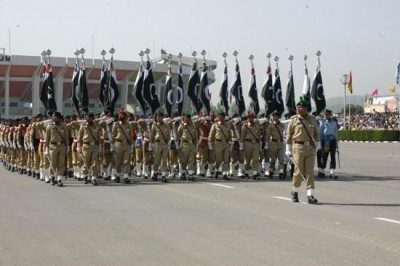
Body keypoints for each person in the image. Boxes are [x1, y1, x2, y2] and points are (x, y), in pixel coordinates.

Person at [286, 98, 320, 204]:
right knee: (298, 172)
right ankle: (294, 192)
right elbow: (289, 135)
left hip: (310, 148)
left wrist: (318, 145)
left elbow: (317, 133)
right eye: (298, 107)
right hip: (298, 147)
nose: (299, 109)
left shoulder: (312, 119)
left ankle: (310, 195)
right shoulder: (294, 119)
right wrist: (288, 148)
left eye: (301, 107)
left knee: (310, 172)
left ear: (306, 108)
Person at [45, 112, 69, 187]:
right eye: (52, 116)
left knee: (61, 163)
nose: (53, 118)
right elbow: (47, 139)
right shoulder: (49, 126)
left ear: (58, 117)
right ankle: (52, 177)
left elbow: (66, 137)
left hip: (62, 146)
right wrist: (46, 148)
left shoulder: (64, 126)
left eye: (54, 116)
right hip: (53, 146)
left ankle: (59, 179)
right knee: (53, 163)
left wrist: (68, 147)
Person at [78, 113, 102, 185]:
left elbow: (99, 137)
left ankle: (94, 177)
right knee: (86, 162)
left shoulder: (97, 126)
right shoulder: (83, 126)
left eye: (88, 117)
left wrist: (100, 146)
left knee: (95, 162)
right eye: (86, 117)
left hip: (95, 146)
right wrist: (79, 146)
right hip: (86, 146)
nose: (86, 118)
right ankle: (86, 176)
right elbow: (80, 136)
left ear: (92, 118)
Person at [110, 109, 133, 184]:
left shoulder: (129, 125)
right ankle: (118, 175)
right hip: (118, 144)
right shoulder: (116, 124)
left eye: (122, 115)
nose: (120, 116)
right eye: (120, 115)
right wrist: (112, 145)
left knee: (126, 161)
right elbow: (113, 135)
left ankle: (126, 177)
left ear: (126, 117)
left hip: (127, 144)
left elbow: (131, 135)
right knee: (118, 161)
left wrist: (131, 145)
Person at [149, 108, 171, 183]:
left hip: (164, 144)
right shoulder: (154, 125)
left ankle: (163, 175)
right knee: (157, 160)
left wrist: (168, 142)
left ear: (162, 117)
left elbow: (168, 134)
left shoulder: (166, 125)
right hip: (157, 143)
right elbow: (152, 135)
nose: (158, 118)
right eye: (157, 116)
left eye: (160, 116)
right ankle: (155, 173)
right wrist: (151, 144)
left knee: (164, 160)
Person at [317, 109, 339, 179]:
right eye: (325, 114)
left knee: (333, 156)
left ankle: (332, 172)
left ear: (330, 115)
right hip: (325, 141)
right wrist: (319, 142)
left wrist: (336, 142)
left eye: (327, 114)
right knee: (324, 156)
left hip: (333, 140)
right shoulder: (322, 122)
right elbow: (320, 132)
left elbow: (335, 132)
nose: (326, 116)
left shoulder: (334, 122)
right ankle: (322, 171)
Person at [176, 112, 198, 181]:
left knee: (191, 160)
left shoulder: (193, 125)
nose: (187, 120)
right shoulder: (182, 125)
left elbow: (196, 135)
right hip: (184, 144)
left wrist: (196, 144)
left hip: (191, 144)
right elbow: (178, 135)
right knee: (184, 160)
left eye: (188, 119)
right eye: (186, 119)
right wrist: (178, 145)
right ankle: (183, 173)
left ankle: (191, 174)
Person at [240, 112, 261, 179]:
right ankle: (246, 172)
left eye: (251, 117)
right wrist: (241, 145)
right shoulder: (245, 126)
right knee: (247, 159)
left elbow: (259, 136)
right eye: (249, 117)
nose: (250, 119)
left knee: (255, 159)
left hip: (255, 144)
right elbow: (242, 137)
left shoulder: (257, 126)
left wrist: (259, 144)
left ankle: (255, 173)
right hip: (247, 143)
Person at [266, 112, 285, 179]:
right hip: (273, 143)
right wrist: (267, 144)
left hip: (281, 143)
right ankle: (271, 171)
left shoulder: (282, 125)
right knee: (273, 159)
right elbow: (268, 135)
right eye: (273, 116)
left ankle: (281, 172)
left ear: (278, 117)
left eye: (276, 116)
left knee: (281, 159)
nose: (274, 118)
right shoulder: (271, 126)